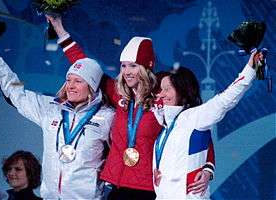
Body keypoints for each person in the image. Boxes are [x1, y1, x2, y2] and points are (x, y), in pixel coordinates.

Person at [46, 16, 216, 200]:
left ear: (146, 67)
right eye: (123, 66)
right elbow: (84, 66)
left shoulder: (162, 98)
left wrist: (207, 168)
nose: (126, 72)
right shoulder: (118, 93)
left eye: (133, 66)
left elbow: (196, 128)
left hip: (146, 188)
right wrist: (60, 29)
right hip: (115, 186)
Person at [0, 44, 115, 199]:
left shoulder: (108, 117)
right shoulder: (51, 108)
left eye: (78, 81)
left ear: (92, 86)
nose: (70, 86)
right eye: (68, 80)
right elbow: (17, 92)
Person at [152, 51, 261, 199]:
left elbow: (226, 100)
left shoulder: (195, 117)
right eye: (160, 90)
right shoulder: (165, 124)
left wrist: (251, 69)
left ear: (183, 91)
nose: (161, 94)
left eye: (167, 89)